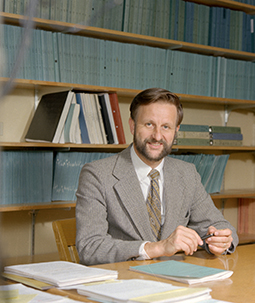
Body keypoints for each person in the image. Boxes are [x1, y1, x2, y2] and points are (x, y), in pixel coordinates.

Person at [76, 88, 239, 265]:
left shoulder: (187, 174)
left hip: (175, 282)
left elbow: (221, 226)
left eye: (166, 127)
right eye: (149, 124)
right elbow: (90, 247)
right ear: (132, 125)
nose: (157, 136)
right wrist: (158, 248)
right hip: (124, 282)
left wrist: (221, 240)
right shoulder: (97, 175)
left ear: (176, 131)